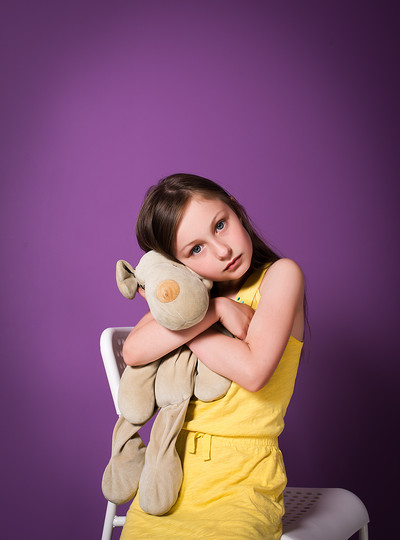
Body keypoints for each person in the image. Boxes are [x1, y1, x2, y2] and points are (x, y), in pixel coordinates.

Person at [120, 173, 305, 539]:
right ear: (176, 264)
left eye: (220, 225)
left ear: (235, 207)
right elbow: (133, 350)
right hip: (169, 473)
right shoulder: (196, 299)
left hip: (241, 479)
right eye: (196, 249)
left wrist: (192, 322)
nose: (222, 251)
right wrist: (216, 310)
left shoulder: (280, 277)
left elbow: (253, 371)